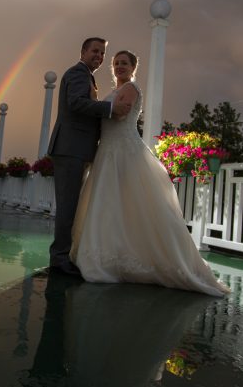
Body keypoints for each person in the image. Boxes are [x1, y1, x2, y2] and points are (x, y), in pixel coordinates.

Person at [71, 50, 228, 297]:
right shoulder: (113, 93)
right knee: (110, 205)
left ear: (134, 67)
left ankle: (159, 260)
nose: (119, 66)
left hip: (124, 151)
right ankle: (110, 253)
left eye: (124, 63)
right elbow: (107, 111)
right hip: (108, 153)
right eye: (116, 63)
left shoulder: (131, 89)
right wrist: (96, 101)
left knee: (138, 205)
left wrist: (93, 102)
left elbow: (120, 112)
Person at [47, 38, 131, 276]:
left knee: (70, 206)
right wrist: (110, 109)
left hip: (77, 149)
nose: (99, 56)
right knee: (67, 207)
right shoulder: (77, 73)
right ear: (83, 51)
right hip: (70, 148)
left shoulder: (87, 76)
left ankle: (64, 255)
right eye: (95, 51)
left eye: (103, 53)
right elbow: (76, 103)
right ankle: (59, 259)